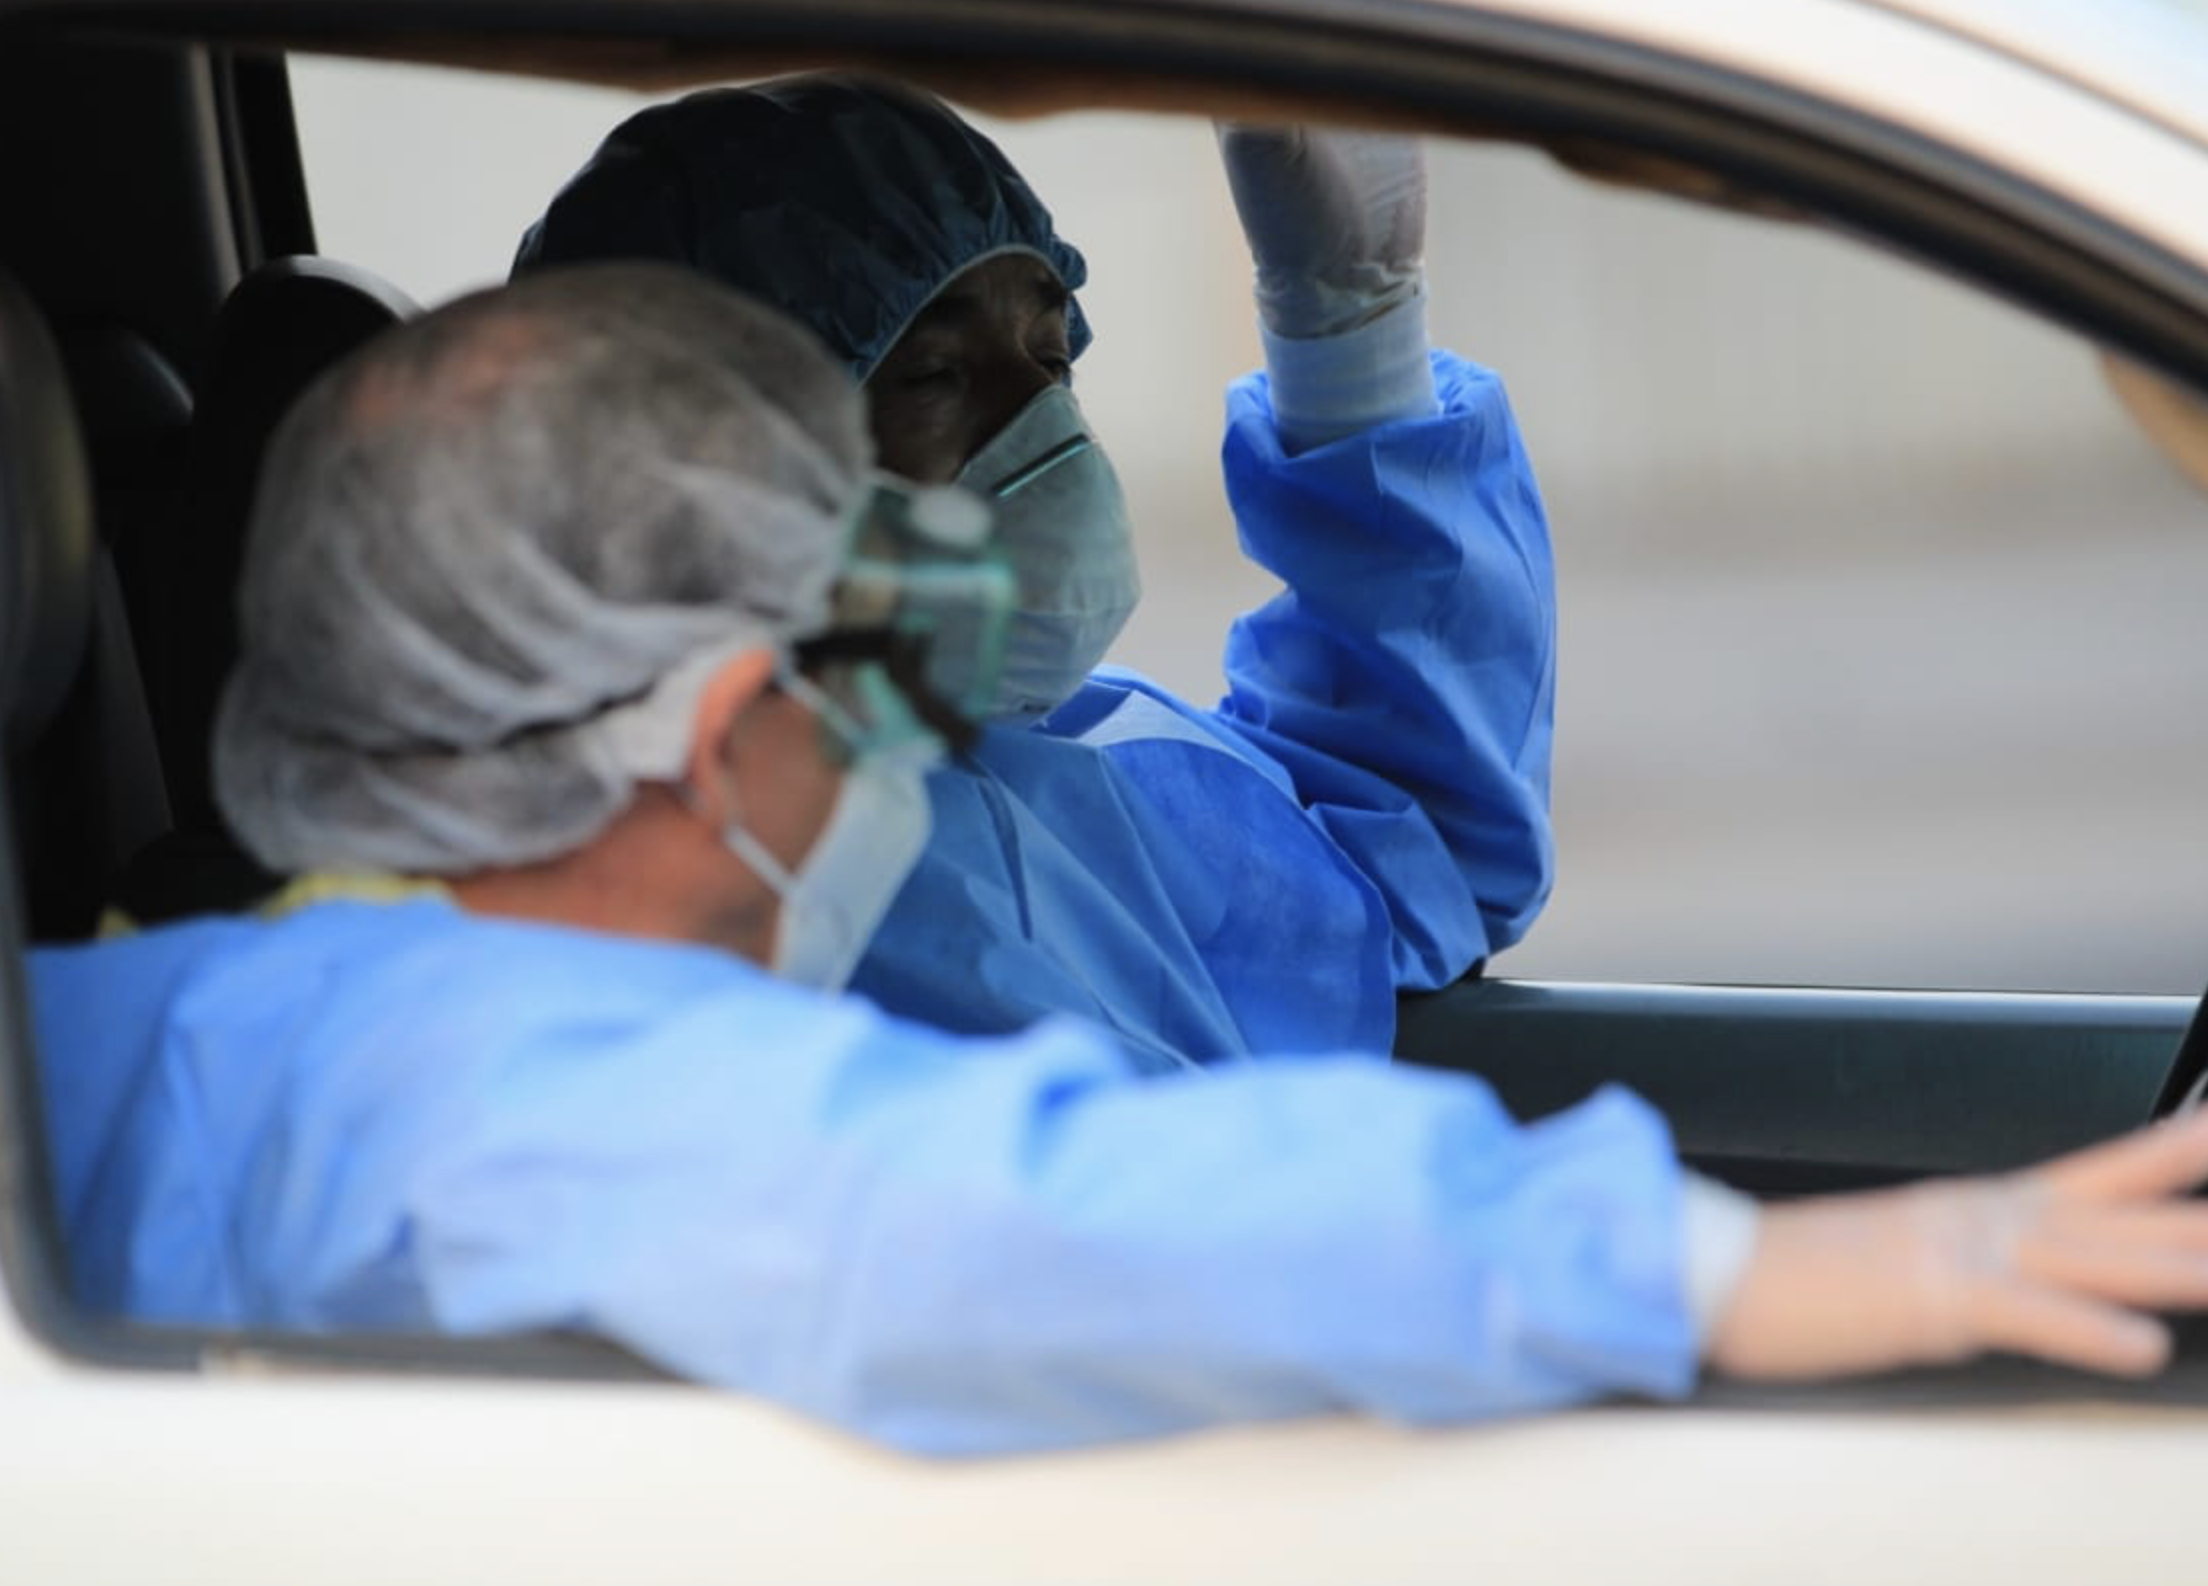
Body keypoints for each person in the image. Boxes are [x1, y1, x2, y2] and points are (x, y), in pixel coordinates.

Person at [29, 263, 2208, 1459]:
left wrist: (1358, 342)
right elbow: (985, 1207)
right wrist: (1741, 1270)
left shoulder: (152, 1013)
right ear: (710, 734)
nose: (918, 729)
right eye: (864, 674)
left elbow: (1371, 856)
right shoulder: (551, 1097)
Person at [514, 77, 1552, 1071]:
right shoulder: (709, 895)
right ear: (707, 473)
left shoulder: (1040, 773)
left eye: (1051, 355)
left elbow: (1392, 875)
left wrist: (1355, 331)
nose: (1045, 432)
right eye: (933, 374)